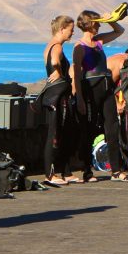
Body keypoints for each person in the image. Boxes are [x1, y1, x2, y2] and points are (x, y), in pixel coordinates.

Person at [72, 10, 128, 181]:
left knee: (112, 128)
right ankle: (86, 170)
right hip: (90, 88)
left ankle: (116, 170)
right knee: (89, 130)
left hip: (106, 88)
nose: (98, 25)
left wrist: (110, 20)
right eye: (96, 22)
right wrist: (80, 98)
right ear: (89, 24)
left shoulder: (98, 42)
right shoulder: (79, 47)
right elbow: (76, 74)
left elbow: (119, 31)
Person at [41, 15, 76, 185]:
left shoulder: (50, 45)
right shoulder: (57, 47)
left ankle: (65, 171)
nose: (72, 33)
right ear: (62, 29)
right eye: (71, 30)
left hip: (55, 95)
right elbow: (55, 61)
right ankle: (50, 174)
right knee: (54, 134)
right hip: (57, 97)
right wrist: (60, 73)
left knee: (64, 133)